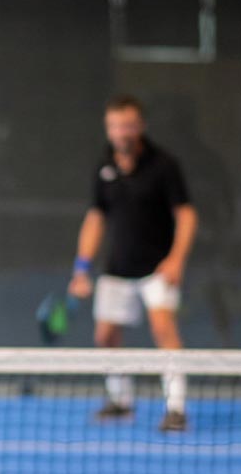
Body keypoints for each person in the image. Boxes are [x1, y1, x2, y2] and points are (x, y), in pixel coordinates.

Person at [68, 94, 197, 432]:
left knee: (164, 329)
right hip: (117, 269)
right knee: (105, 336)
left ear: (140, 126)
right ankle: (120, 401)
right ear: (108, 128)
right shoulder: (103, 166)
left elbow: (186, 214)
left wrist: (176, 260)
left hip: (158, 269)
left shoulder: (164, 166)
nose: (121, 132)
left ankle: (176, 408)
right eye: (115, 126)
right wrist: (81, 267)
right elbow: (96, 217)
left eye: (127, 125)